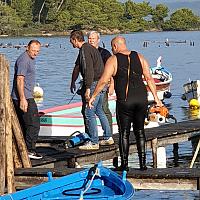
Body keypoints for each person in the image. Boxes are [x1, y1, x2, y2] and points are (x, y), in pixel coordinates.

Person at [88, 36, 163, 170]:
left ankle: (125, 164)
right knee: (140, 131)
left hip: (125, 100)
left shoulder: (113, 59)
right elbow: (149, 78)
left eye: (112, 48)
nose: (112, 50)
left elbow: (104, 80)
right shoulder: (139, 56)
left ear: (115, 46)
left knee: (124, 133)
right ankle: (143, 164)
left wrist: (93, 96)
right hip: (141, 99)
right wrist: (156, 99)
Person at [70, 30, 114, 146]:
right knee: (99, 110)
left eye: (71, 41)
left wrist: (88, 88)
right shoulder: (91, 48)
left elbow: (88, 69)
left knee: (89, 112)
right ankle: (108, 137)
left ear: (75, 39)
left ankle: (93, 141)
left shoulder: (85, 49)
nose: (71, 44)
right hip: (101, 82)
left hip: (94, 83)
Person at [11, 40, 42, 160]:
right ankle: (30, 149)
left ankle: (23, 149)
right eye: (33, 50)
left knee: (25, 124)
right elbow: (20, 79)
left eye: (37, 51)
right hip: (24, 97)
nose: (35, 53)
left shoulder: (30, 59)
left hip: (26, 96)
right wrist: (22, 99)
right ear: (27, 47)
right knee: (34, 124)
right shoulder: (24, 60)